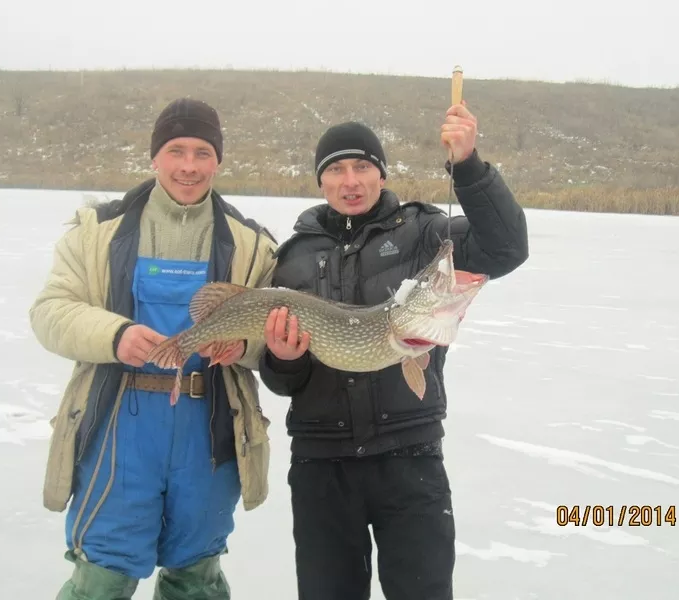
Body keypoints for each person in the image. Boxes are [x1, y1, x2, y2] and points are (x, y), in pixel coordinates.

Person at [258, 102, 529, 600]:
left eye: (363, 166)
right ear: (321, 182)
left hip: (410, 461)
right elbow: (280, 381)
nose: (351, 180)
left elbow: (506, 248)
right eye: (336, 169)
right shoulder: (292, 258)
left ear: (381, 174)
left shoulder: (423, 233)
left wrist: (468, 166)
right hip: (322, 467)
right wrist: (283, 358)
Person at [29, 97, 278, 600]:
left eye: (203, 152)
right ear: (154, 157)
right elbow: (50, 312)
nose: (189, 166)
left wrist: (245, 344)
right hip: (120, 423)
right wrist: (115, 336)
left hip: (208, 428)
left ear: (219, 161)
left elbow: (276, 338)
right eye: (176, 150)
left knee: (196, 575)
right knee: (104, 572)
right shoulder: (96, 232)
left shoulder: (253, 244)